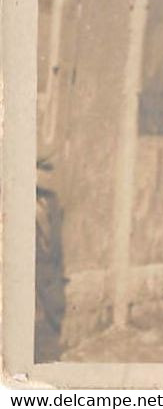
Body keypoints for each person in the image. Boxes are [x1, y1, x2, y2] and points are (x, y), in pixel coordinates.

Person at [35, 153, 66, 363]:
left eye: (49, 170)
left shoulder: (52, 201)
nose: (47, 175)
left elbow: (58, 241)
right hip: (31, 275)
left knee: (53, 325)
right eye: (42, 169)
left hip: (51, 274)